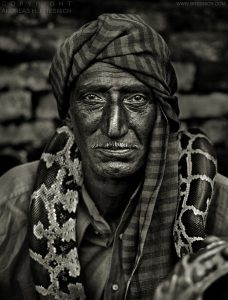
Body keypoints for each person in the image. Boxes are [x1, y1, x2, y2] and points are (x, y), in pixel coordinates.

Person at [0, 14, 228, 300]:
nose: (114, 127)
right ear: (69, 116)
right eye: (93, 99)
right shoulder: (9, 205)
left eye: (136, 99)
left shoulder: (222, 206)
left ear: (161, 113)